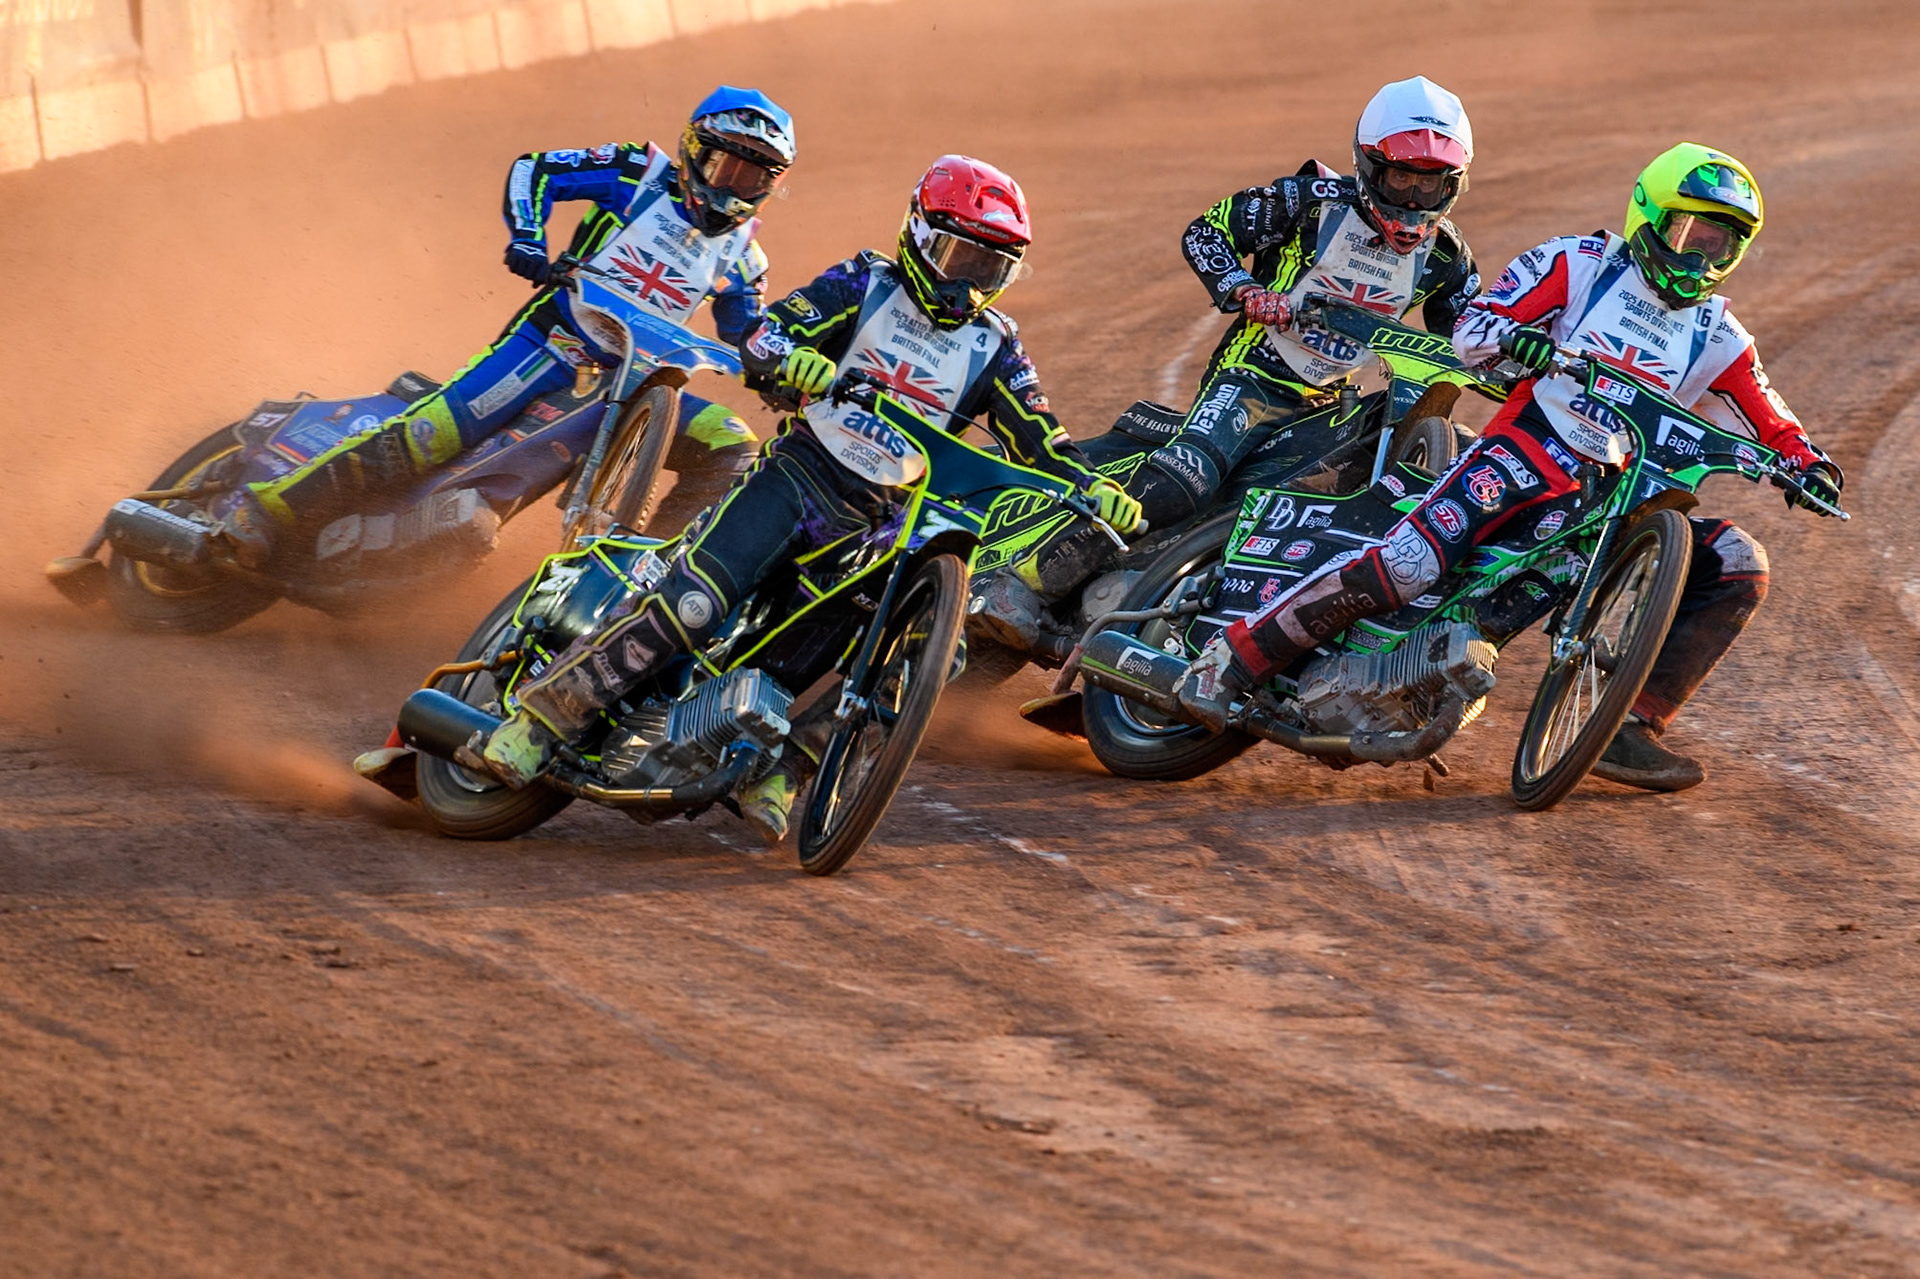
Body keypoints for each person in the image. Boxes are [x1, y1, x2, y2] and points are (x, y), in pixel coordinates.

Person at [475, 155, 1145, 840]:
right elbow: (769, 330)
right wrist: (790, 357)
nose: (967, 285)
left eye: (989, 269)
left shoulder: (997, 345)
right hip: (799, 475)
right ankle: (545, 716)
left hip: (883, 520)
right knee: (695, 601)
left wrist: (1094, 486)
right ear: (918, 235)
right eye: (958, 256)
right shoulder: (864, 283)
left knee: (910, 657)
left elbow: (1042, 435)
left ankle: (786, 769)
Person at [1175, 142, 1844, 792]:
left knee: (1737, 562)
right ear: (1650, 214)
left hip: (1609, 501)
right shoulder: (1579, 263)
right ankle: (1233, 658)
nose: (1702, 256)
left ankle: (1624, 726)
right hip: (1525, 448)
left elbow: (1771, 417)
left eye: (1721, 244)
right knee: (1410, 563)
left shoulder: (1719, 334)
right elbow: (1474, 328)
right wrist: (1511, 337)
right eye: (1692, 232)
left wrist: (1806, 462)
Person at [971, 75, 1479, 651]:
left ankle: (1154, 630)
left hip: (1324, 407)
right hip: (1251, 375)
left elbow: (1470, 333)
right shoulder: (1310, 203)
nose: (1412, 200)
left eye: (1429, 184)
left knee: (1270, 526)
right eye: (1401, 178)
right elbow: (1206, 232)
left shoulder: (1447, 259)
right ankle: (1026, 582)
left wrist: (1516, 353)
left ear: (1453, 185)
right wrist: (1243, 290)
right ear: (1367, 165)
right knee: (1186, 482)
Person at [216, 86, 797, 566]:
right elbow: (535, 170)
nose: (731, 188)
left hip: (636, 387)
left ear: (771, 186)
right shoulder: (637, 173)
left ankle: (647, 568)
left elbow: (748, 335)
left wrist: (781, 372)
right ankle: (266, 509)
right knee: (433, 436)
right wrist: (527, 236)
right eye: (725, 165)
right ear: (695, 151)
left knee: (732, 439)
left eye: (752, 178)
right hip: (551, 343)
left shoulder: (746, 262)